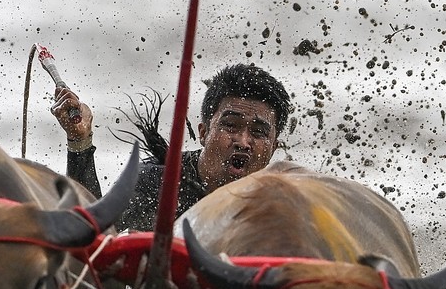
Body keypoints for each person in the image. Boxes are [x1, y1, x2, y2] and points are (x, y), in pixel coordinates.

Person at [50, 63, 292, 232]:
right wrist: (79, 142)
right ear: (204, 133)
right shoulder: (156, 186)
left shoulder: (283, 207)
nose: (243, 141)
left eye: (259, 133)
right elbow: (94, 233)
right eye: (231, 126)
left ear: (273, 148)